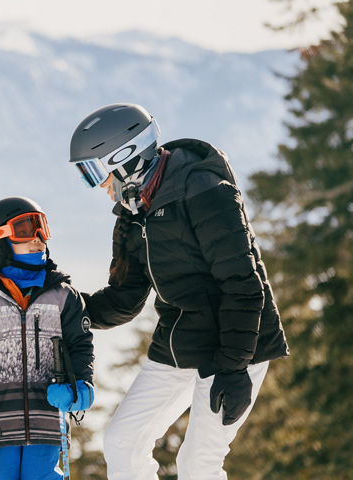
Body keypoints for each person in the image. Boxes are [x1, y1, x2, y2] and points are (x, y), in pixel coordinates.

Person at [67, 103, 290, 478]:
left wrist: (234, 369)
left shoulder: (206, 191)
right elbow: (125, 297)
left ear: (126, 159)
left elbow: (243, 285)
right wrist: (72, 311)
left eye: (96, 172)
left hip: (237, 343)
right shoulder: (131, 212)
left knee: (198, 463)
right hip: (182, 339)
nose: (99, 186)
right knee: (123, 441)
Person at [0, 196, 95, 480]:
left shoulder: (64, 295)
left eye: (42, 229)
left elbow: (80, 346)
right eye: (26, 229)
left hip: (48, 417)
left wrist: (81, 385)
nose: (38, 238)